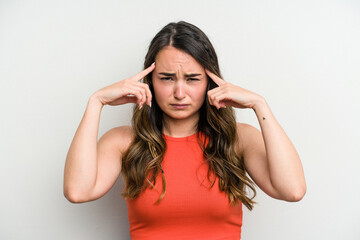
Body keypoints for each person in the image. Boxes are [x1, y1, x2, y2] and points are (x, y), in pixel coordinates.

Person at [63, 21, 306, 240]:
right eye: (167, 78)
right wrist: (96, 102)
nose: (180, 93)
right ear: (150, 82)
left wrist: (259, 104)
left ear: (210, 82)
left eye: (192, 79)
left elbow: (292, 190)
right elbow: (77, 191)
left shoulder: (238, 138)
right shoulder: (124, 141)